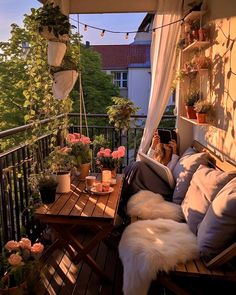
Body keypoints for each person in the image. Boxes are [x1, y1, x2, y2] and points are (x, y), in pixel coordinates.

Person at [118, 131, 179, 222]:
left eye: (171, 140)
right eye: (166, 139)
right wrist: (153, 145)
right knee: (133, 166)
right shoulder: (159, 156)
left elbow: (171, 174)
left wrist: (174, 151)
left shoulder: (175, 159)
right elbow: (146, 161)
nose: (167, 143)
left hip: (165, 189)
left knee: (138, 166)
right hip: (152, 185)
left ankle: (121, 198)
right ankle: (121, 200)